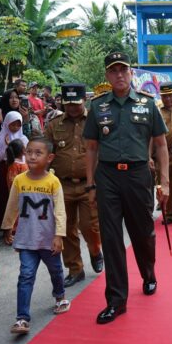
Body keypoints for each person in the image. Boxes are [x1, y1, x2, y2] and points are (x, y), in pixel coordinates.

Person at [83, 52, 169, 325]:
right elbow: (91, 148)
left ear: (131, 73)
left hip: (138, 175)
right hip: (107, 176)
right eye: (113, 70)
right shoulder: (97, 107)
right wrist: (90, 184)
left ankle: (148, 272)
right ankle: (116, 300)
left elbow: (161, 144)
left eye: (123, 70)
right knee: (110, 238)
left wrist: (164, 181)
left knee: (142, 232)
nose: (119, 75)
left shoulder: (147, 103)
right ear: (107, 76)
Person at [2, 137, 70, 334]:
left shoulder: (53, 182)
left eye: (37, 153)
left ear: (49, 158)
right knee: (25, 276)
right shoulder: (19, 180)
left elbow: (60, 211)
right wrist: (7, 227)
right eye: (29, 152)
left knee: (56, 271)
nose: (32, 156)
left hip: (49, 240)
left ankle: (60, 296)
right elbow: (12, 205)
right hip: (26, 239)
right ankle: (22, 318)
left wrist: (59, 235)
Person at [45, 83, 103, 288]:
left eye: (76, 104)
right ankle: (75, 268)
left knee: (90, 226)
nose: (72, 108)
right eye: (67, 104)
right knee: (66, 228)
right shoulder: (54, 124)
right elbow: (47, 153)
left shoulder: (95, 121)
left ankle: (96, 251)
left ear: (84, 101)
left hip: (90, 184)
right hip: (62, 185)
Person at [155, 81, 172, 224]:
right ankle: (170, 214)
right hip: (162, 154)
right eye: (164, 96)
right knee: (164, 183)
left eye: (170, 96)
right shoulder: (157, 110)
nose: (168, 99)